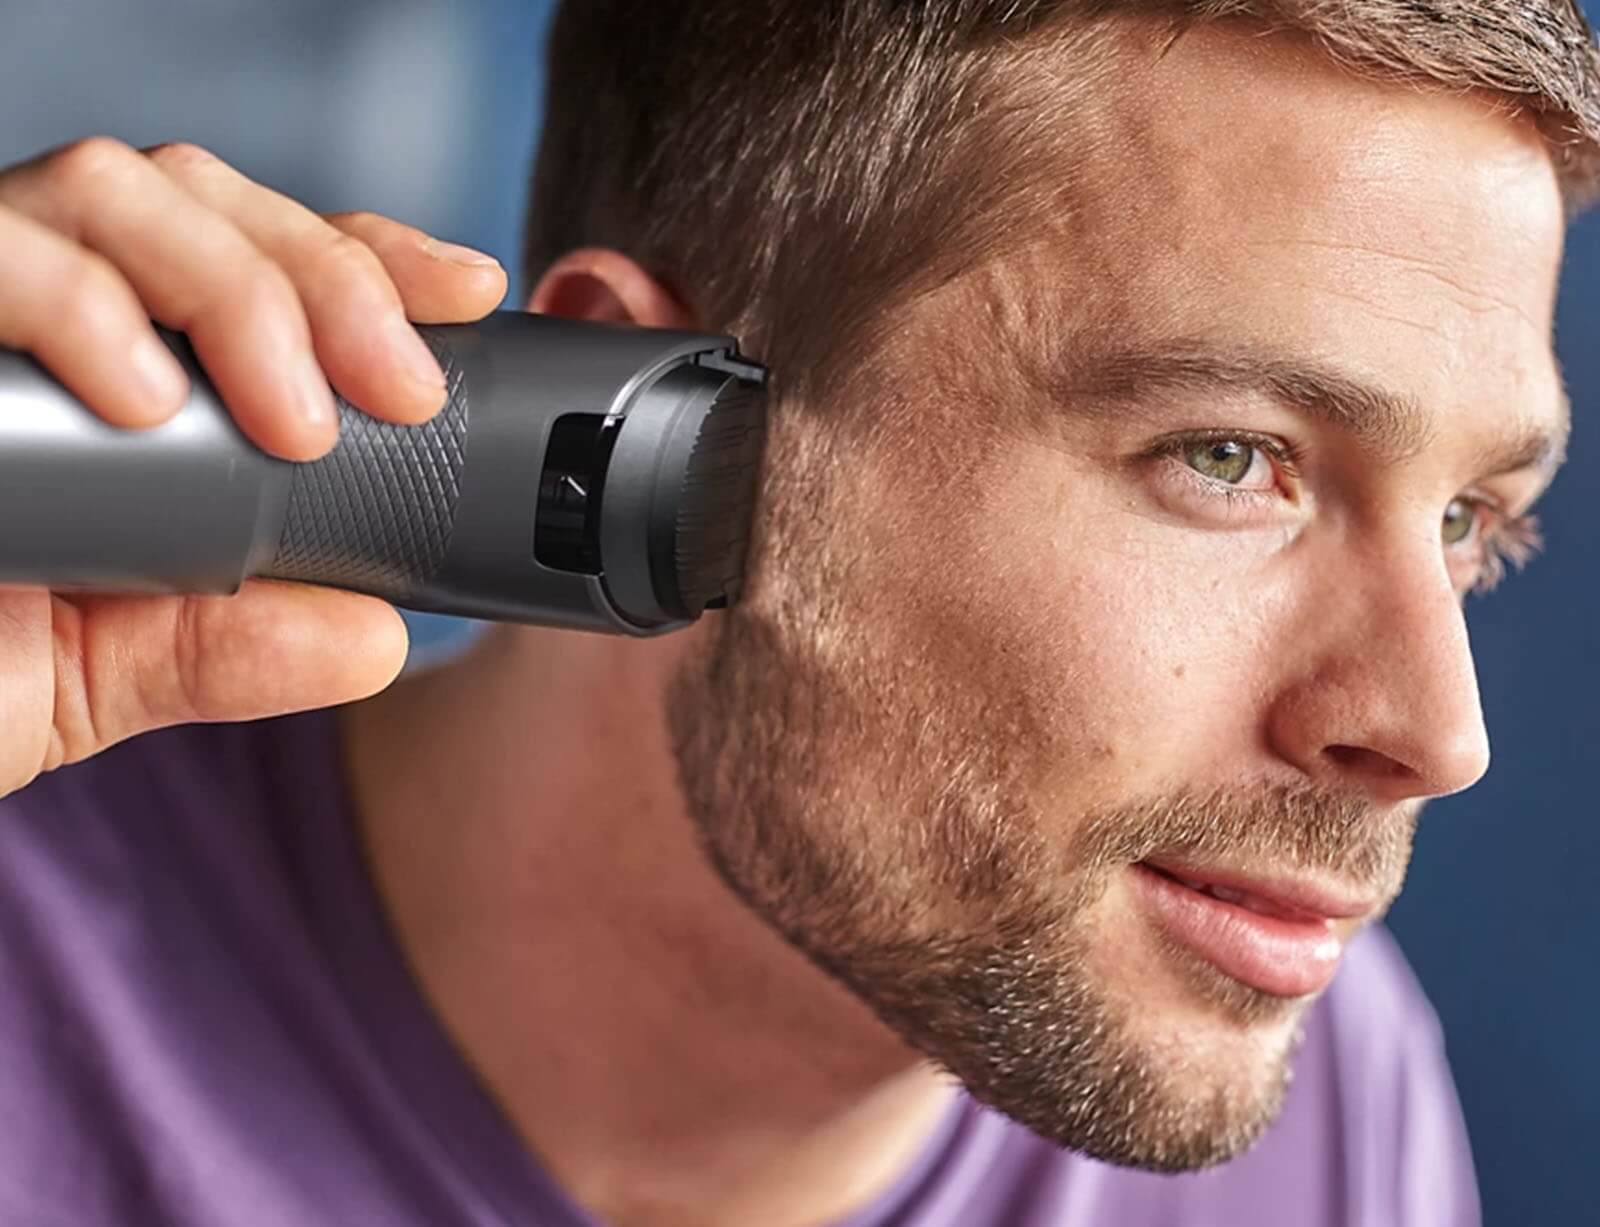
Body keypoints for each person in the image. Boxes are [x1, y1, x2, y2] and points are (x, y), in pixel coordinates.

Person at [0, 2, 1591, 1224]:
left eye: (1470, 519)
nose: (1438, 735)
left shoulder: (1330, 1094)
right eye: (1228, 458)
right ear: (626, 414)